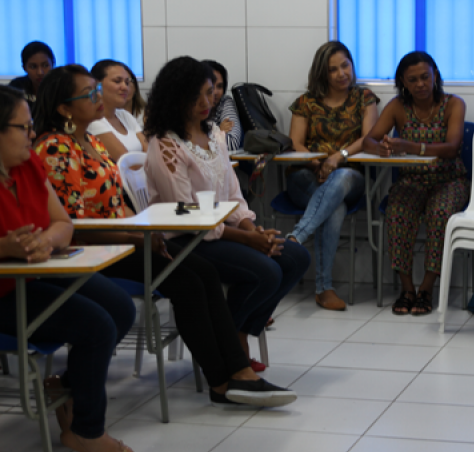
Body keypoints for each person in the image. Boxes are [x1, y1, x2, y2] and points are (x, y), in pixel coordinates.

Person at [33, 64, 295, 406]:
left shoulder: (90, 143)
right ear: (64, 108)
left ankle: (235, 374)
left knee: (201, 274)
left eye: (97, 91)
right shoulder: (56, 149)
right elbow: (73, 223)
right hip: (95, 249)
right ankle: (226, 379)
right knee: (191, 280)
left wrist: (142, 230)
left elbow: (115, 204)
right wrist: (137, 237)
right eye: (90, 93)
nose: (98, 97)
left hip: (122, 242)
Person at [144, 57, 310, 368]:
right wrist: (248, 241)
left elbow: (233, 195)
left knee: (295, 258)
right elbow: (187, 216)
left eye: (210, 93)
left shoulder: (215, 135)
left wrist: (252, 230)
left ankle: (238, 331)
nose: (207, 102)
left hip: (219, 233)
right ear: (176, 97)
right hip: (183, 240)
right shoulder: (165, 143)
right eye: (197, 96)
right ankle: (231, 343)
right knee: (267, 270)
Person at [0, 84, 136, 452]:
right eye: (22, 128)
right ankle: (87, 430)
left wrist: (46, 239)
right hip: (6, 291)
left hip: (39, 271)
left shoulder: (26, 164)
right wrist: (7, 248)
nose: (31, 135)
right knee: (96, 326)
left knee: (121, 309)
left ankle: (71, 387)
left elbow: (62, 222)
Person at [363, 51, 468, 316]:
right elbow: (368, 141)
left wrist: (411, 146)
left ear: (435, 76)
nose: (420, 84)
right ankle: (407, 289)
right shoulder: (398, 106)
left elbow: (453, 147)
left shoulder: (453, 104)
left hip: (449, 180)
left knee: (440, 215)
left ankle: (427, 289)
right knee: (397, 212)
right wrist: (383, 150)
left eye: (425, 77)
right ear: (403, 82)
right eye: (413, 80)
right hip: (411, 181)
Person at [285, 41, 377, 310]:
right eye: (333, 69)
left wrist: (337, 158)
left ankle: (296, 237)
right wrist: (317, 164)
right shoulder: (305, 103)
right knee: (335, 208)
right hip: (307, 176)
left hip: (351, 176)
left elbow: (368, 138)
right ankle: (324, 289)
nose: (341, 73)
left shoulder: (365, 98)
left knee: (343, 178)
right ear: (321, 74)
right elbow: (296, 143)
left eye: (345, 65)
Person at [88, 59, 148, 161]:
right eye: (117, 81)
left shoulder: (124, 115)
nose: (125, 87)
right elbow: (127, 164)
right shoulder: (93, 120)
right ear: (97, 85)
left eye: (127, 82)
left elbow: (150, 154)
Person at [202, 60, 243, 153]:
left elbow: (232, 143)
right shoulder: (189, 106)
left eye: (220, 86)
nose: (215, 92)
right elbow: (187, 143)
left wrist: (206, 136)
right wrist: (218, 132)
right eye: (211, 86)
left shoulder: (224, 102)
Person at [8, 41, 55, 111]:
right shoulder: (17, 86)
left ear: (53, 64)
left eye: (45, 65)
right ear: (24, 68)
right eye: (33, 67)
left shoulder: (60, 87)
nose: (40, 72)